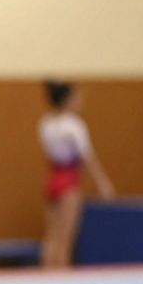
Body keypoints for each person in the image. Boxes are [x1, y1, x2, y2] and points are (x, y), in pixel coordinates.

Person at [38, 80, 114, 267]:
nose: (80, 100)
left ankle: (45, 277)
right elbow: (87, 157)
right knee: (65, 239)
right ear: (67, 100)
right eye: (77, 97)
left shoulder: (46, 123)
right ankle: (60, 282)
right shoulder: (73, 125)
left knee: (51, 237)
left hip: (53, 178)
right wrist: (103, 183)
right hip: (68, 181)